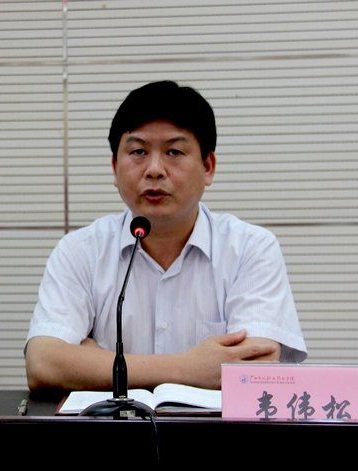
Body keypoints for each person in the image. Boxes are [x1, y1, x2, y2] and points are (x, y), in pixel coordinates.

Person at [25, 80, 307, 392]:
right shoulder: (80, 250)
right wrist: (191, 367)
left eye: (174, 151)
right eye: (138, 152)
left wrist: (97, 361)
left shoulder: (250, 248)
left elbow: (256, 368)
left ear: (208, 167)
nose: (155, 170)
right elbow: (44, 363)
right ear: (115, 168)